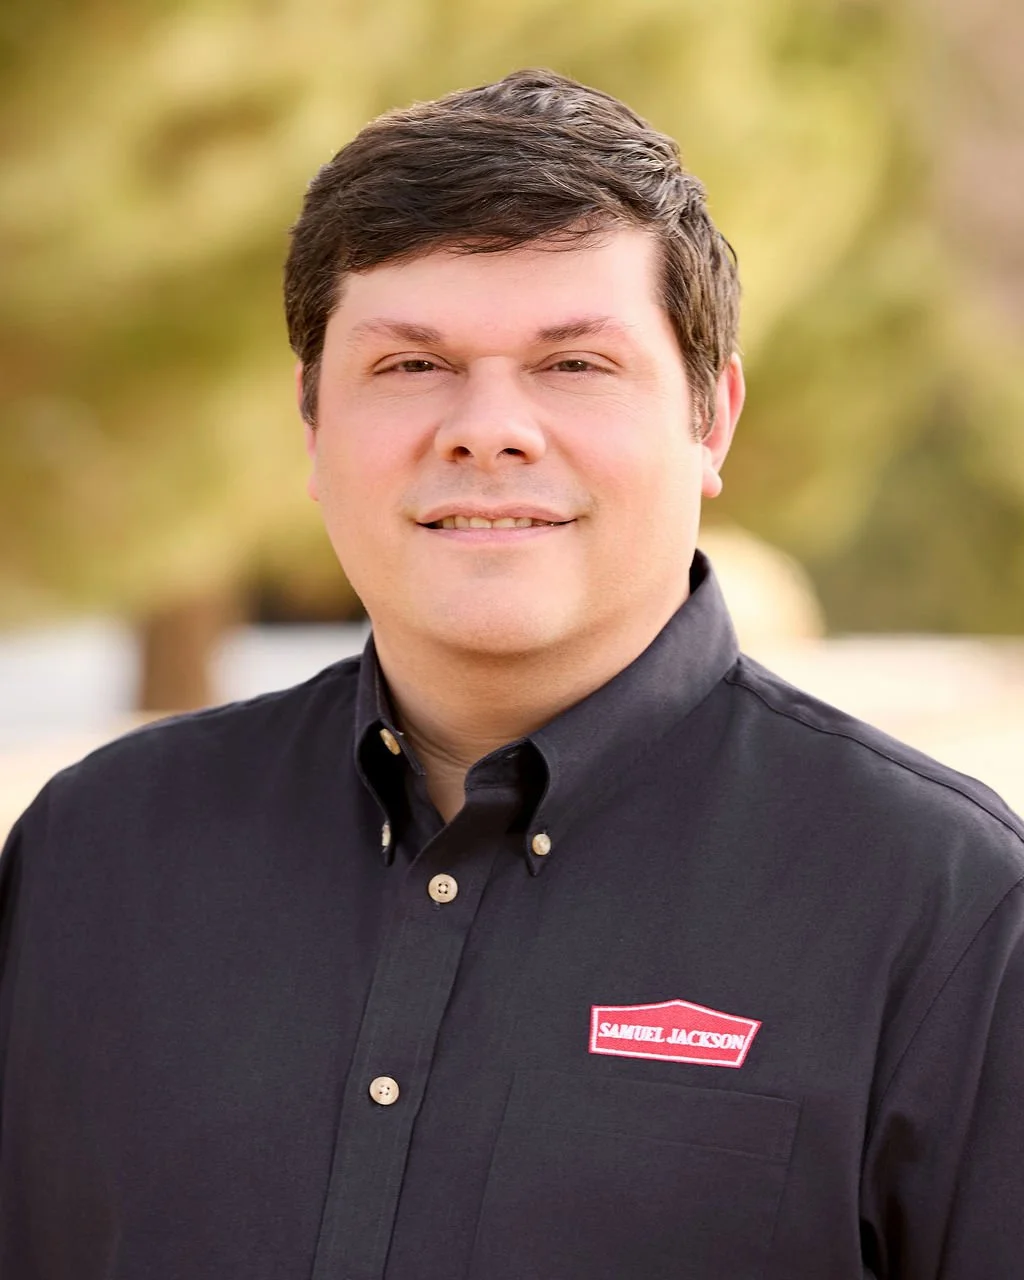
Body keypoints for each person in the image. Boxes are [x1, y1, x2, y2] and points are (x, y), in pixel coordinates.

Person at [1, 68, 1022, 1280]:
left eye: (574, 363)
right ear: (313, 425)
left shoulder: (945, 905)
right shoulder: (92, 855)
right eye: (410, 365)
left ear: (711, 418)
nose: (488, 428)